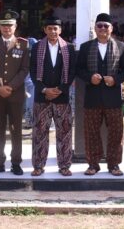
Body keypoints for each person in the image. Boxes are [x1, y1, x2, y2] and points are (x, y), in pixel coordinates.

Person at [76, 12, 124, 176]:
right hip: (92, 97)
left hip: (113, 98)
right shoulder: (86, 47)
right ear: (95, 28)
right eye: (99, 26)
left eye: (106, 26)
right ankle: (93, 164)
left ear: (111, 28)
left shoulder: (121, 46)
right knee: (91, 132)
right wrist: (89, 77)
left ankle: (113, 164)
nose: (102, 29)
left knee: (116, 132)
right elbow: (78, 69)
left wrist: (115, 79)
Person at [0, 10, 29, 176]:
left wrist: (11, 86)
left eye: (10, 25)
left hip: (16, 95)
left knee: (16, 130)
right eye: (3, 25)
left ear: (15, 26)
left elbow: (25, 69)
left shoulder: (23, 44)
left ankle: (16, 163)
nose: (6, 28)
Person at [29, 17, 76, 177]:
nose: (53, 31)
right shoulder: (36, 47)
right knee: (39, 132)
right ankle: (38, 165)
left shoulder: (69, 48)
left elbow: (72, 72)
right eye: (50, 28)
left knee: (64, 132)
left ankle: (64, 165)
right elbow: (32, 71)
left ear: (60, 30)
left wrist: (61, 89)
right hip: (41, 97)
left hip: (62, 97)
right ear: (45, 30)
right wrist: (44, 90)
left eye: (56, 28)